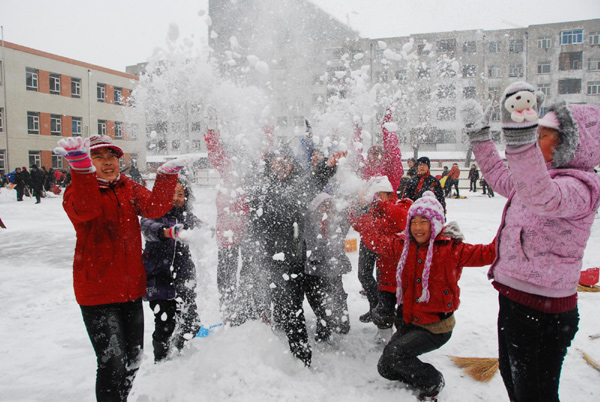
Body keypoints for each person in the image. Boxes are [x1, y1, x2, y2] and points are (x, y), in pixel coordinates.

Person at [461, 81, 600, 402]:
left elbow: (541, 197)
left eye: (542, 136)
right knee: (515, 385)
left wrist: (520, 138)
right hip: (513, 299)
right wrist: (480, 136)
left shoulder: (581, 187)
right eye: (533, 135)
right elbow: (499, 176)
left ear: (571, 144)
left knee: (535, 396)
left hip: (544, 312)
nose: (536, 142)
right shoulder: (541, 176)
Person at [56, 134, 185, 401]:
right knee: (112, 364)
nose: (107, 163)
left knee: (134, 360)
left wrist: (165, 176)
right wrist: (81, 171)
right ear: (87, 162)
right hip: (98, 293)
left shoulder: (127, 187)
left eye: (112, 157)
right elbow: (87, 208)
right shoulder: (77, 191)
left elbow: (154, 207)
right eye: (98, 157)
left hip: (130, 290)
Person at [359, 192, 496, 400]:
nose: (418, 227)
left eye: (425, 222)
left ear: (436, 223)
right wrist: (360, 214)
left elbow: (487, 253)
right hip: (409, 321)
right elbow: (375, 240)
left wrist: (512, 229)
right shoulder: (404, 246)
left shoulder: (451, 249)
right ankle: (414, 374)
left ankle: (433, 381)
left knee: (395, 355)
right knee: (385, 368)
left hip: (435, 327)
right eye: (414, 222)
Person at [248, 143, 345, 366]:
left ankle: (326, 329)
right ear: (270, 165)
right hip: (276, 259)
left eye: (287, 162)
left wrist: (327, 166)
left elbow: (313, 182)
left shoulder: (297, 185)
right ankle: (300, 357)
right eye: (277, 162)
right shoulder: (263, 190)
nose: (282, 166)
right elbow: (257, 224)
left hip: (301, 255)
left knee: (313, 299)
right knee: (290, 307)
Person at [141, 178, 204, 362]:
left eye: (181, 194)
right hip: (159, 279)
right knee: (165, 324)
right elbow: (147, 227)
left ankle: (179, 354)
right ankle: (161, 361)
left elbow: (202, 227)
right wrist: (166, 232)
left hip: (183, 279)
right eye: (171, 193)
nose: (176, 198)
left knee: (191, 322)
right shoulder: (153, 214)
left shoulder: (186, 217)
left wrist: (211, 231)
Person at [349, 109, 403, 323]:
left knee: (384, 278)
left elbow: (394, 153)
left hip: (386, 234)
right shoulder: (364, 174)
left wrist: (387, 126)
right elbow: (355, 155)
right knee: (363, 274)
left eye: (379, 154)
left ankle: (384, 312)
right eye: (373, 154)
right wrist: (357, 129)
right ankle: (375, 307)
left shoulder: (391, 174)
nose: (376, 157)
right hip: (368, 232)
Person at [303, 192, 352, 339]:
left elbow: (347, 223)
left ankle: (341, 322)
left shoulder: (337, 220)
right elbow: (309, 242)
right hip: (314, 266)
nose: (326, 209)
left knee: (337, 293)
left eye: (329, 205)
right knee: (316, 297)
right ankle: (324, 324)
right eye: (323, 206)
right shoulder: (309, 222)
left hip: (333, 265)